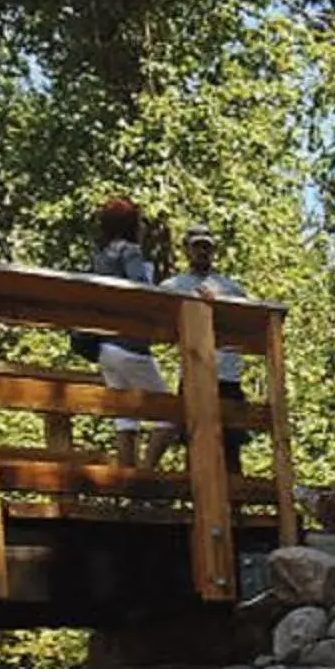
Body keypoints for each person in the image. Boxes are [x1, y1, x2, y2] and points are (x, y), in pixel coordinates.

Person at [86, 197, 173, 469]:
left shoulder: (99, 255)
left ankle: (127, 483)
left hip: (105, 346)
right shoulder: (130, 251)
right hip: (130, 345)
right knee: (169, 414)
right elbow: (141, 289)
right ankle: (144, 476)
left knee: (125, 419)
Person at [162, 225, 251, 477]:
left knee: (231, 446)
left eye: (207, 247)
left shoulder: (232, 289)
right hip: (193, 372)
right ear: (186, 250)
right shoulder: (173, 286)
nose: (202, 252)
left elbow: (245, 325)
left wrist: (218, 306)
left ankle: (236, 507)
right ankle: (194, 509)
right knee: (194, 441)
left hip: (227, 376)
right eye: (197, 246)